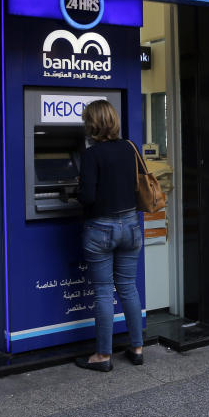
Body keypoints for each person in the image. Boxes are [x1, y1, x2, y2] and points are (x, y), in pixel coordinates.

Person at [74, 100, 144, 372]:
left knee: (104, 292)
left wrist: (78, 192)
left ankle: (103, 356)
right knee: (128, 287)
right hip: (130, 226)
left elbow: (88, 197)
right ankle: (137, 349)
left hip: (101, 229)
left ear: (91, 124)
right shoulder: (131, 148)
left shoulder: (92, 155)